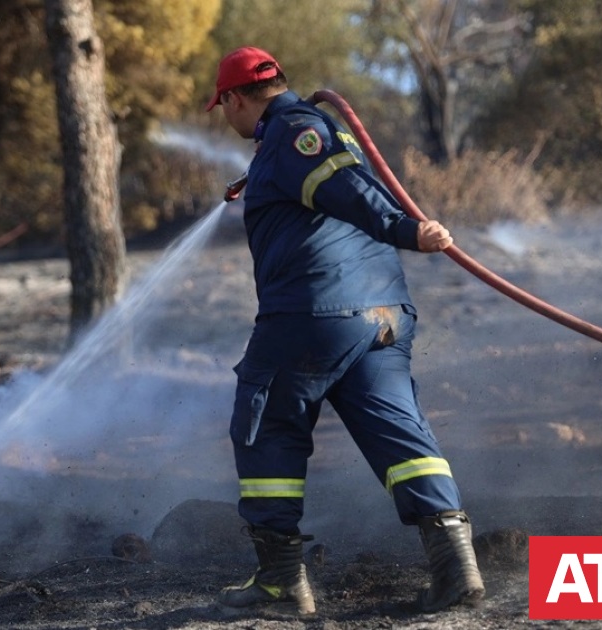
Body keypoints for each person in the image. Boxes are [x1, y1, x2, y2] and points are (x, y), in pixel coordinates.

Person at [205, 46, 484, 616]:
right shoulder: (304, 134)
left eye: (222, 105)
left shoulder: (296, 131)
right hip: (381, 316)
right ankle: (456, 568)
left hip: (313, 314)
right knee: (397, 432)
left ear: (234, 98)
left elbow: (354, 194)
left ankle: (281, 584)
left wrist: (407, 231)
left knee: (264, 424)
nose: (224, 117)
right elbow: (347, 187)